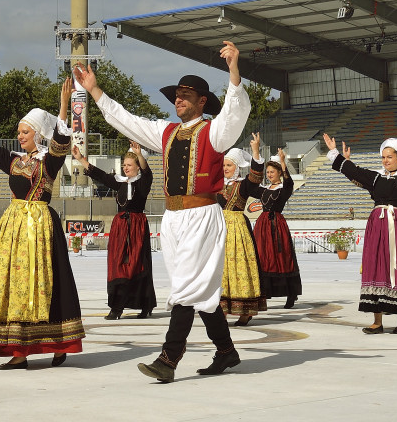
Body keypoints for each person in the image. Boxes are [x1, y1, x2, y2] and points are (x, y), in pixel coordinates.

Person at [74, 43, 250, 383]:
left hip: (202, 215)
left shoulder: (214, 131)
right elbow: (127, 121)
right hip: (173, 219)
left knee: (185, 288)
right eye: (177, 94)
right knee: (200, 293)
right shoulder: (165, 132)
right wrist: (95, 90)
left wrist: (233, 71)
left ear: (202, 101)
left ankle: (168, 359)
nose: (178, 99)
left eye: (186, 94)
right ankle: (227, 352)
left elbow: (234, 112)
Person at [0, 81, 84, 369]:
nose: (20, 136)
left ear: (38, 134)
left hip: (39, 228)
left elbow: (61, 144)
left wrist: (62, 107)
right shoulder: (14, 162)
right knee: (15, 286)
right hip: (14, 228)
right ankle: (20, 350)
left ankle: (56, 343)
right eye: (19, 131)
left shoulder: (48, 162)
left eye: (25, 131)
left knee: (47, 284)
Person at [321, 132, 397, 333]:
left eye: (390, 157)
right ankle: (377, 321)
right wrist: (334, 153)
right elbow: (354, 170)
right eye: (383, 157)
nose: (386, 160)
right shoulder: (375, 178)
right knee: (375, 268)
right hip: (377, 230)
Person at [76, 142, 156, 320]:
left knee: (137, 264)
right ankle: (116, 306)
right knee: (117, 265)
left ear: (137, 166)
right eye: (124, 165)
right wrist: (81, 159)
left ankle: (145, 305)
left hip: (136, 227)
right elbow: (101, 175)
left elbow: (148, 172)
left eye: (129, 165)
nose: (125, 168)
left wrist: (139, 154)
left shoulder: (143, 183)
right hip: (120, 227)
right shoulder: (119, 183)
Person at [243, 133, 303, 309]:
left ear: (278, 172)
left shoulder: (283, 189)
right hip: (262, 226)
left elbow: (290, 182)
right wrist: (256, 154)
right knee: (262, 257)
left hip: (276, 225)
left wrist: (283, 163)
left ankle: (290, 294)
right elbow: (249, 187)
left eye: (272, 172)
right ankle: (264, 292)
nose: (269, 175)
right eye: (267, 172)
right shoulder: (263, 190)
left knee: (282, 257)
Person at [218, 147, 265, 326]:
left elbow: (255, 177)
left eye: (229, 165)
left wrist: (255, 153)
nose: (225, 168)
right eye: (224, 165)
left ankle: (244, 311)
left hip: (237, 229)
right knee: (220, 268)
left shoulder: (243, 185)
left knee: (239, 266)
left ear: (237, 166)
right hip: (219, 229)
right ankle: (220, 309)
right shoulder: (217, 184)